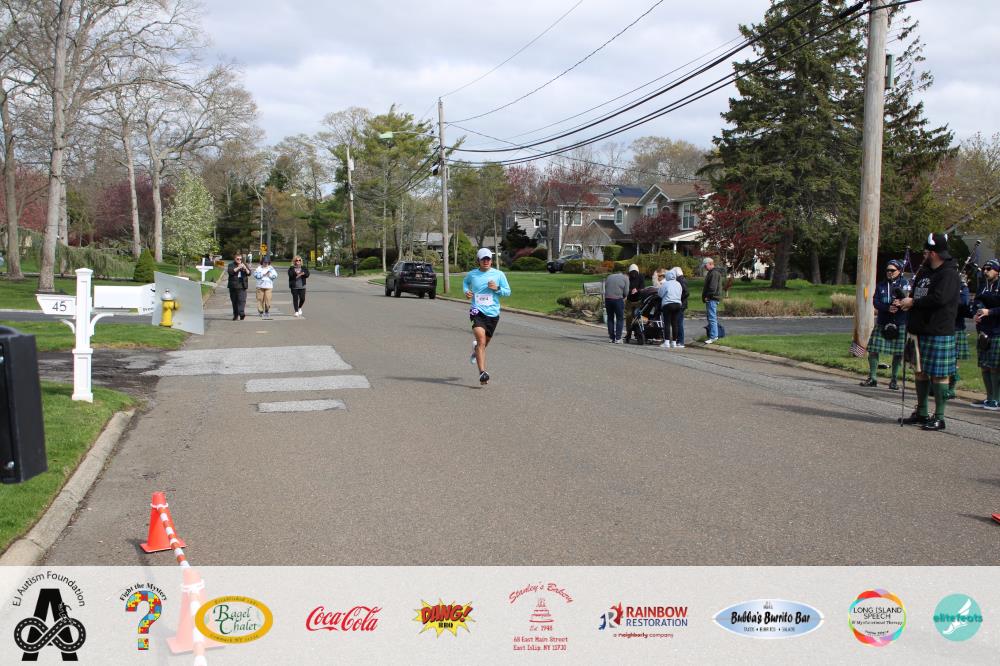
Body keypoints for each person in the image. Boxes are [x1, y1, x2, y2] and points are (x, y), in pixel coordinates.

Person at [896, 233, 961, 431]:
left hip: (938, 330)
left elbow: (940, 299)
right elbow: (915, 295)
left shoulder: (949, 273)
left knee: (939, 375)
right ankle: (922, 412)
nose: (924, 255)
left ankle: (939, 417)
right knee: (920, 372)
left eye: (926, 252)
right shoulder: (924, 272)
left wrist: (913, 302)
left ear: (933, 253)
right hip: (918, 329)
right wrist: (906, 301)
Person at [463, 248, 511, 385]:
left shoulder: (499, 274)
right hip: (476, 310)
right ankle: (482, 373)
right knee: (481, 340)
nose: (486, 261)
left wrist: (497, 289)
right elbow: (465, 283)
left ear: (491, 260)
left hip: (493, 313)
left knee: (484, 343)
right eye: (483, 259)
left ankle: (476, 350)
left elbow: (508, 292)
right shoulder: (472, 274)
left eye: (488, 259)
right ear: (478, 260)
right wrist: (466, 291)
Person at [860, 259, 910, 390]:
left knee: (898, 353)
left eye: (892, 270)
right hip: (883, 322)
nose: (889, 272)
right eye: (887, 270)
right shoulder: (881, 285)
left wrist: (901, 302)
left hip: (900, 323)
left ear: (899, 271)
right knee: (873, 349)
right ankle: (872, 378)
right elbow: (875, 302)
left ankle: (894, 380)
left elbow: (909, 299)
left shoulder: (906, 284)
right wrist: (887, 308)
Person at [971, 258, 1000, 410]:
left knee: (995, 367)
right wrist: (976, 313)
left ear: (998, 271)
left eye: (989, 269)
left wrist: (990, 311)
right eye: (984, 269)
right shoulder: (983, 286)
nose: (985, 271)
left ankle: (996, 399)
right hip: (983, 331)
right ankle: (989, 397)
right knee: (984, 365)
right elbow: (976, 302)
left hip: (997, 331)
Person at [946, 270, 972, 400]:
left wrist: (962, 286)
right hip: (941, 326)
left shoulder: (963, 287)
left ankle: (951, 388)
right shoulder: (943, 283)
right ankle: (935, 386)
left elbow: (964, 302)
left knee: (953, 361)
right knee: (941, 360)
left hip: (956, 327)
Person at [657, 269, 683, 348]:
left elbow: (660, 294)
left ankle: (667, 342)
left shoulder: (665, 284)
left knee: (667, 323)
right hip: (677, 304)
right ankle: (674, 342)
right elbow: (680, 293)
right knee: (674, 323)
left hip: (668, 304)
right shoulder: (678, 284)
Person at [702, 257, 724, 343]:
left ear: (710, 264)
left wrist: (707, 296)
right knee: (711, 317)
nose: (704, 267)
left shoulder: (714, 273)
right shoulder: (712, 272)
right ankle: (713, 335)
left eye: (705, 265)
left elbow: (712, 287)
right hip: (711, 298)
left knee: (712, 318)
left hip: (712, 298)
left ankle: (714, 336)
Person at [604, 267, 628, 343]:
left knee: (610, 318)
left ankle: (611, 338)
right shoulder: (625, 278)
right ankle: (618, 338)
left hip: (608, 299)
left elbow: (606, 287)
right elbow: (626, 292)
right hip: (618, 299)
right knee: (619, 319)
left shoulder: (609, 276)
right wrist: (623, 297)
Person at [623, 263, 645, 343]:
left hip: (638, 300)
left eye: (634, 272)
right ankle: (628, 333)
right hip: (629, 300)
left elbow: (643, 288)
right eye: (632, 272)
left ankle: (637, 333)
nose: (633, 274)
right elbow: (625, 288)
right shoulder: (628, 278)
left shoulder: (641, 277)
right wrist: (630, 291)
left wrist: (637, 290)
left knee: (637, 317)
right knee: (629, 317)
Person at [226, 253, 251, 320]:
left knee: (242, 300)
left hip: (242, 286)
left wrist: (245, 268)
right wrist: (238, 267)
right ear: (235, 259)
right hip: (233, 286)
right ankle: (236, 315)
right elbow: (230, 272)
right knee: (234, 301)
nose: (239, 260)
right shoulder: (231, 265)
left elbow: (249, 273)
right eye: (238, 259)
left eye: (240, 259)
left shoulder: (244, 264)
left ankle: (241, 313)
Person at [670, 266, 690, 348]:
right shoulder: (681, 279)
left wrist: (678, 298)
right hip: (681, 304)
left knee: (678, 323)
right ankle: (678, 340)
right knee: (677, 322)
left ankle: (680, 341)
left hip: (681, 304)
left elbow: (686, 292)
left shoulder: (680, 280)